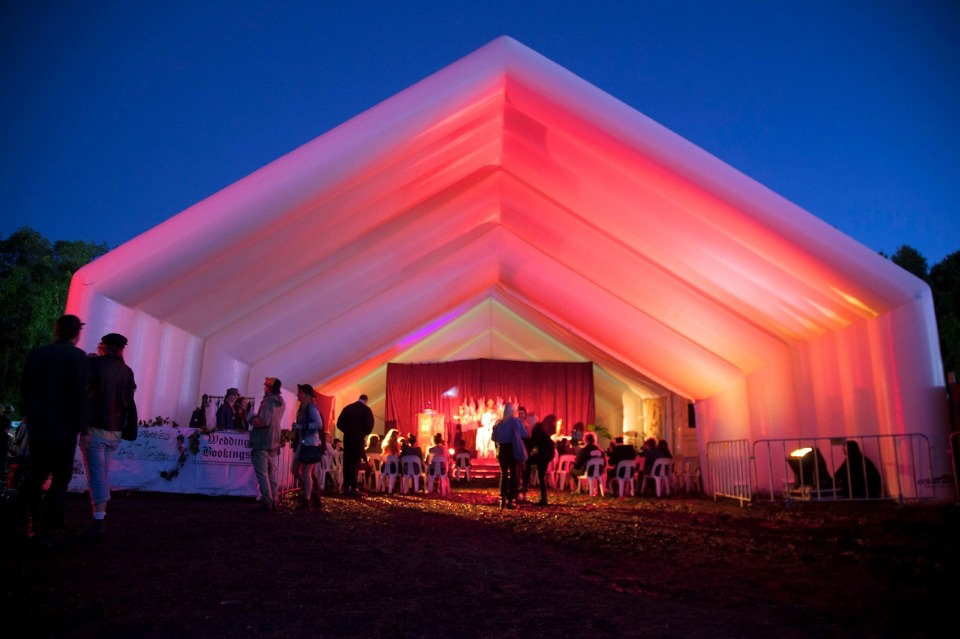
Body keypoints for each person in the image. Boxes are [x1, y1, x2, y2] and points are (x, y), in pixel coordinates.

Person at [19, 314, 91, 540]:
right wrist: (83, 427)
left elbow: (26, 389)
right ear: (76, 333)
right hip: (64, 428)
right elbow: (79, 395)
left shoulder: (36, 354)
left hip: (39, 426)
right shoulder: (77, 358)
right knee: (60, 478)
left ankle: (17, 519)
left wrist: (30, 417)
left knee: (36, 475)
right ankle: (53, 524)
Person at [78, 332, 136, 539]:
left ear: (104, 346)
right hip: (116, 430)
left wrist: (83, 427)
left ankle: (99, 519)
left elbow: (84, 394)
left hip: (95, 428)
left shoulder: (95, 365)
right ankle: (99, 515)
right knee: (102, 473)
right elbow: (128, 399)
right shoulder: (126, 371)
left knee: (96, 475)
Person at [250, 377, 285, 511]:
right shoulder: (281, 402)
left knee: (262, 473)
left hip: (262, 441)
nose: (264, 388)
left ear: (269, 388)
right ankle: (274, 499)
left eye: (265, 386)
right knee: (272, 473)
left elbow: (263, 421)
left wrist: (250, 418)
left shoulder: (268, 402)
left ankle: (267, 501)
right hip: (274, 441)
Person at [336, 393, 374, 496]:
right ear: (366, 400)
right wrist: (362, 433)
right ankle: (353, 487)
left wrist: (347, 431)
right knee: (355, 463)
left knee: (347, 462)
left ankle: (346, 487)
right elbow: (370, 426)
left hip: (348, 438)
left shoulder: (348, 408)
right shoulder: (366, 410)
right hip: (358, 439)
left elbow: (339, 423)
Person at [292, 384, 324, 508]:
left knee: (305, 471)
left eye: (299, 392)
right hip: (302, 441)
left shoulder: (311, 407)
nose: (297, 395)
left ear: (305, 394)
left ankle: (307, 498)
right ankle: (310, 491)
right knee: (296, 470)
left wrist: (301, 426)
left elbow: (318, 424)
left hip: (309, 442)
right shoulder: (303, 407)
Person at [491, 402, 525, 510]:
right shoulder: (516, 422)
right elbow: (524, 434)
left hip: (502, 449)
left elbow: (494, 438)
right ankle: (511, 499)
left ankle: (503, 499)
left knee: (504, 474)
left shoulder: (498, 423)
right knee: (514, 474)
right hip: (512, 448)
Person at [526, 415, 556, 506]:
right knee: (541, 476)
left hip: (544, 454)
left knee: (528, 462)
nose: (528, 423)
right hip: (547, 454)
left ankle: (525, 484)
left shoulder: (536, 430)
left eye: (528, 421)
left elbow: (533, 443)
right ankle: (544, 498)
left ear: (532, 421)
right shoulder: (540, 428)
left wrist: (526, 452)